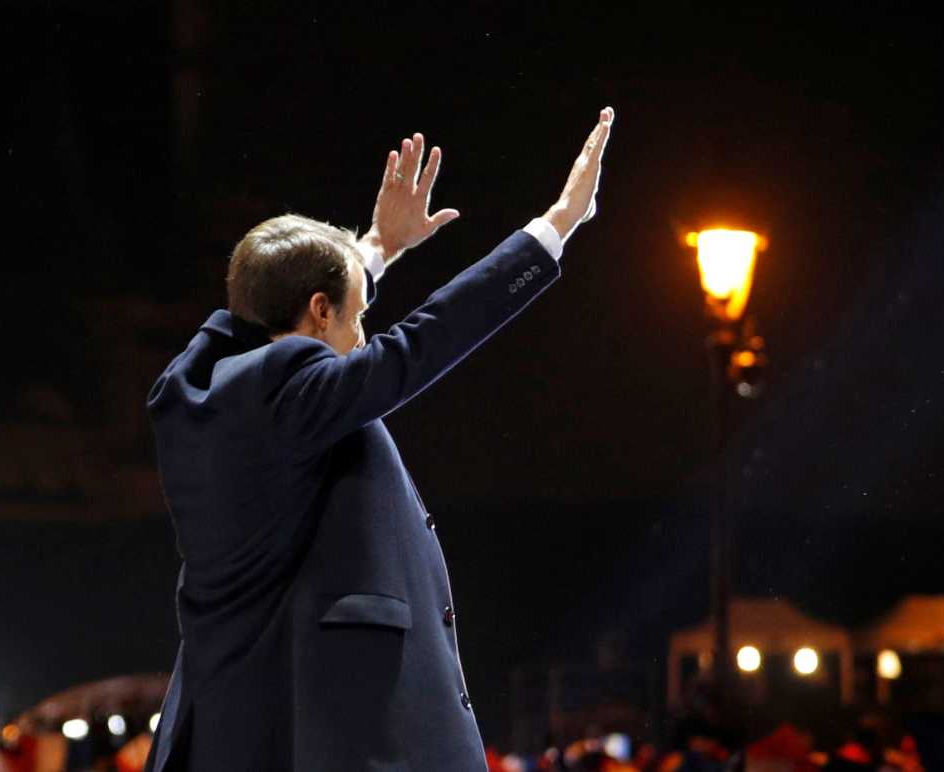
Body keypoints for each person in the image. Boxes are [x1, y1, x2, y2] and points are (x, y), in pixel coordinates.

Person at [145, 107, 615, 771]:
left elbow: (297, 313)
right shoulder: (289, 396)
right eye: (357, 316)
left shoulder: (200, 395)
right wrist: (557, 224)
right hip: (336, 741)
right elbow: (419, 344)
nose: (362, 335)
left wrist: (375, 249)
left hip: (244, 728)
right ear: (319, 310)